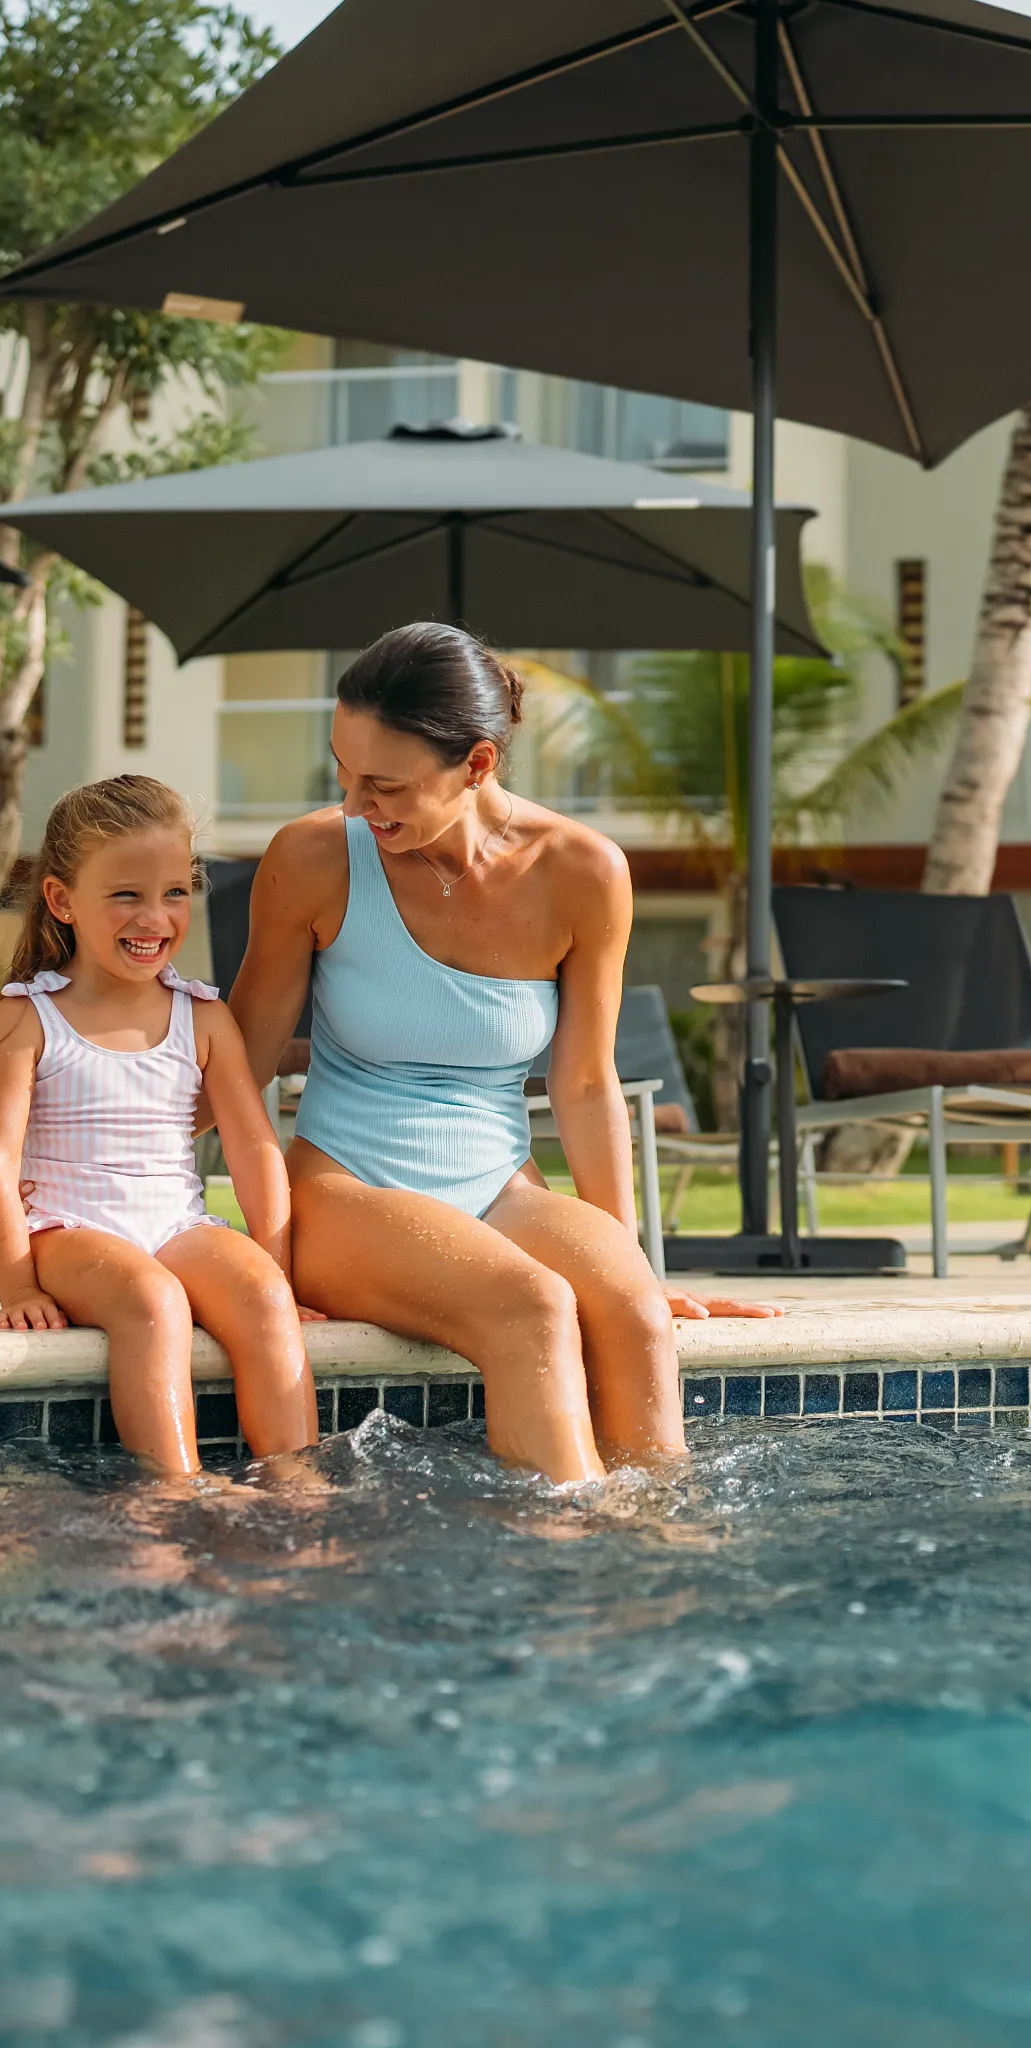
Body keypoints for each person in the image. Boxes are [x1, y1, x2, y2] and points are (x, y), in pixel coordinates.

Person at [227, 623, 777, 1488]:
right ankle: (560, 1568)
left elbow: (587, 1082)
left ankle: (659, 1570)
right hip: (345, 1186)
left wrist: (626, 1262)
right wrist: (248, 1247)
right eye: (342, 770)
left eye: (385, 784)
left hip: (499, 1184)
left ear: (477, 764)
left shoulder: (583, 871)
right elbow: (238, 1065)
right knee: (533, 1307)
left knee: (632, 1314)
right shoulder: (314, 858)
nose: (353, 802)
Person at [0, 774, 320, 1479]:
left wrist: (274, 1266)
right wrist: (18, 1287)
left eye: (175, 893)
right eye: (126, 895)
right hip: (67, 1230)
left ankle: (295, 1486)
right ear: (62, 900)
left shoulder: (203, 1018)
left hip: (175, 1224)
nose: (153, 917)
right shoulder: (27, 1018)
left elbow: (253, 1147)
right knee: (154, 1304)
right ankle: (172, 1489)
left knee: (259, 1297)